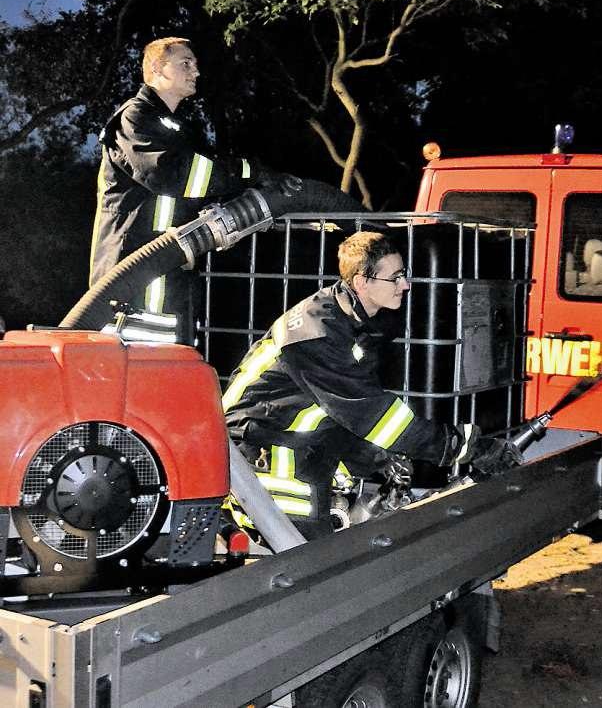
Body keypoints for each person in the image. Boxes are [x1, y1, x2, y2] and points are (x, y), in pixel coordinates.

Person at [223, 231, 484, 540]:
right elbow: (370, 413)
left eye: (405, 274)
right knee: (309, 555)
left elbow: (347, 408)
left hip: (293, 434)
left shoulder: (353, 318)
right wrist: (457, 446)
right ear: (362, 282)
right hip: (256, 445)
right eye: (395, 278)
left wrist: (380, 455)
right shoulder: (317, 333)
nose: (405, 285)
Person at [89, 36, 299, 344]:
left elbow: (201, 186)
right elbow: (175, 176)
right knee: (137, 360)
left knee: (171, 358)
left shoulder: (176, 128)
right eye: (185, 63)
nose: (196, 72)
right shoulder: (135, 118)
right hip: (135, 274)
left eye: (196, 65)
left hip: (169, 267)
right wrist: (252, 172)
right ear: (157, 69)